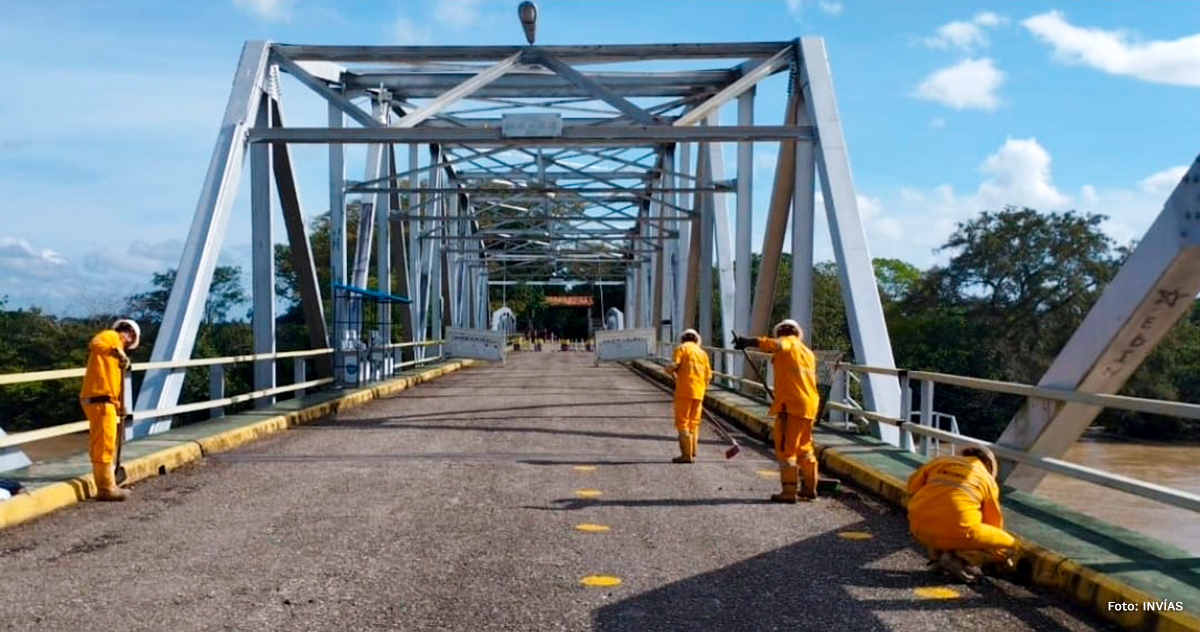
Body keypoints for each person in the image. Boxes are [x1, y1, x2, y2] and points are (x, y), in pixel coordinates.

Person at [733, 319, 820, 503]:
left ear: (781, 332)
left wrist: (749, 342)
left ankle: (788, 492)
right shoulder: (808, 352)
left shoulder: (788, 342)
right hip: (810, 405)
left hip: (791, 406)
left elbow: (777, 345)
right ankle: (810, 488)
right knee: (805, 448)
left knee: (786, 450)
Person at [906, 445, 1017, 581]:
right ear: (989, 466)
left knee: (938, 513)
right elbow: (993, 523)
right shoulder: (987, 480)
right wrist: (996, 556)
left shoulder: (940, 462)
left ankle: (937, 557)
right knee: (1009, 545)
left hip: (917, 528)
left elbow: (912, 487)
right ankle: (961, 560)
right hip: (954, 533)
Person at [79, 319, 140, 501]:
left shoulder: (116, 355)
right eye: (130, 337)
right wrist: (115, 351)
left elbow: (114, 383)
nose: (128, 341)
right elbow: (95, 343)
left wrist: (120, 405)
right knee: (104, 442)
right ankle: (106, 487)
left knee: (103, 440)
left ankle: (106, 482)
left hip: (105, 400)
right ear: (127, 332)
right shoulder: (110, 337)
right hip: (99, 399)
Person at [665, 329, 712, 464]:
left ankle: (686, 455)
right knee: (694, 422)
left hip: (684, 391)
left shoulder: (681, 348)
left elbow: (674, 364)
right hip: (699, 392)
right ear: (697, 340)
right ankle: (692, 450)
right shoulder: (702, 353)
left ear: (683, 339)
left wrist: (668, 370)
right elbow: (708, 376)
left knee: (682, 421)